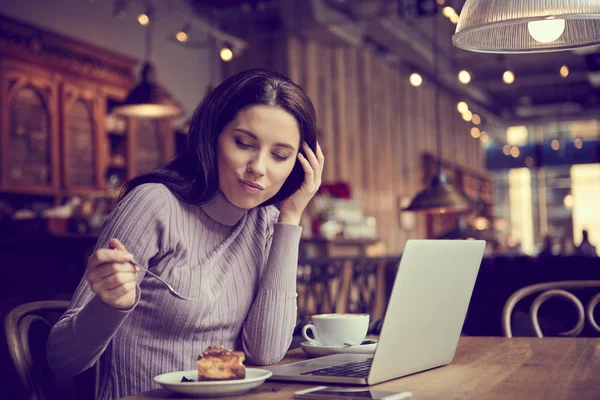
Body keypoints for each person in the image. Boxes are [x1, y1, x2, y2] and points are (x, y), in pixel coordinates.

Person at [47, 68, 324, 398]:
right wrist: (110, 306)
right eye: (244, 143)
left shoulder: (264, 221)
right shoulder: (155, 205)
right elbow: (61, 360)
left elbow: (267, 353)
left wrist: (291, 216)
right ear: (212, 136)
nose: (259, 168)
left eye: (280, 155)